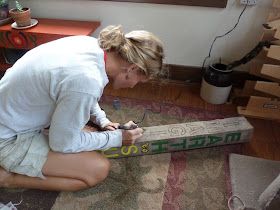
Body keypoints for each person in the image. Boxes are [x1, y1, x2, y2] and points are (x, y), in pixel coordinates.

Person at [0, 25, 164, 191]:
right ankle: (8, 178)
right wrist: (117, 138)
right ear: (133, 68)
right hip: (7, 139)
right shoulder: (87, 81)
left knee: (90, 135)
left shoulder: (91, 45)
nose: (134, 85)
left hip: (12, 116)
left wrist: (102, 120)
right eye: (139, 81)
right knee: (97, 169)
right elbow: (62, 144)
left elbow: (75, 89)